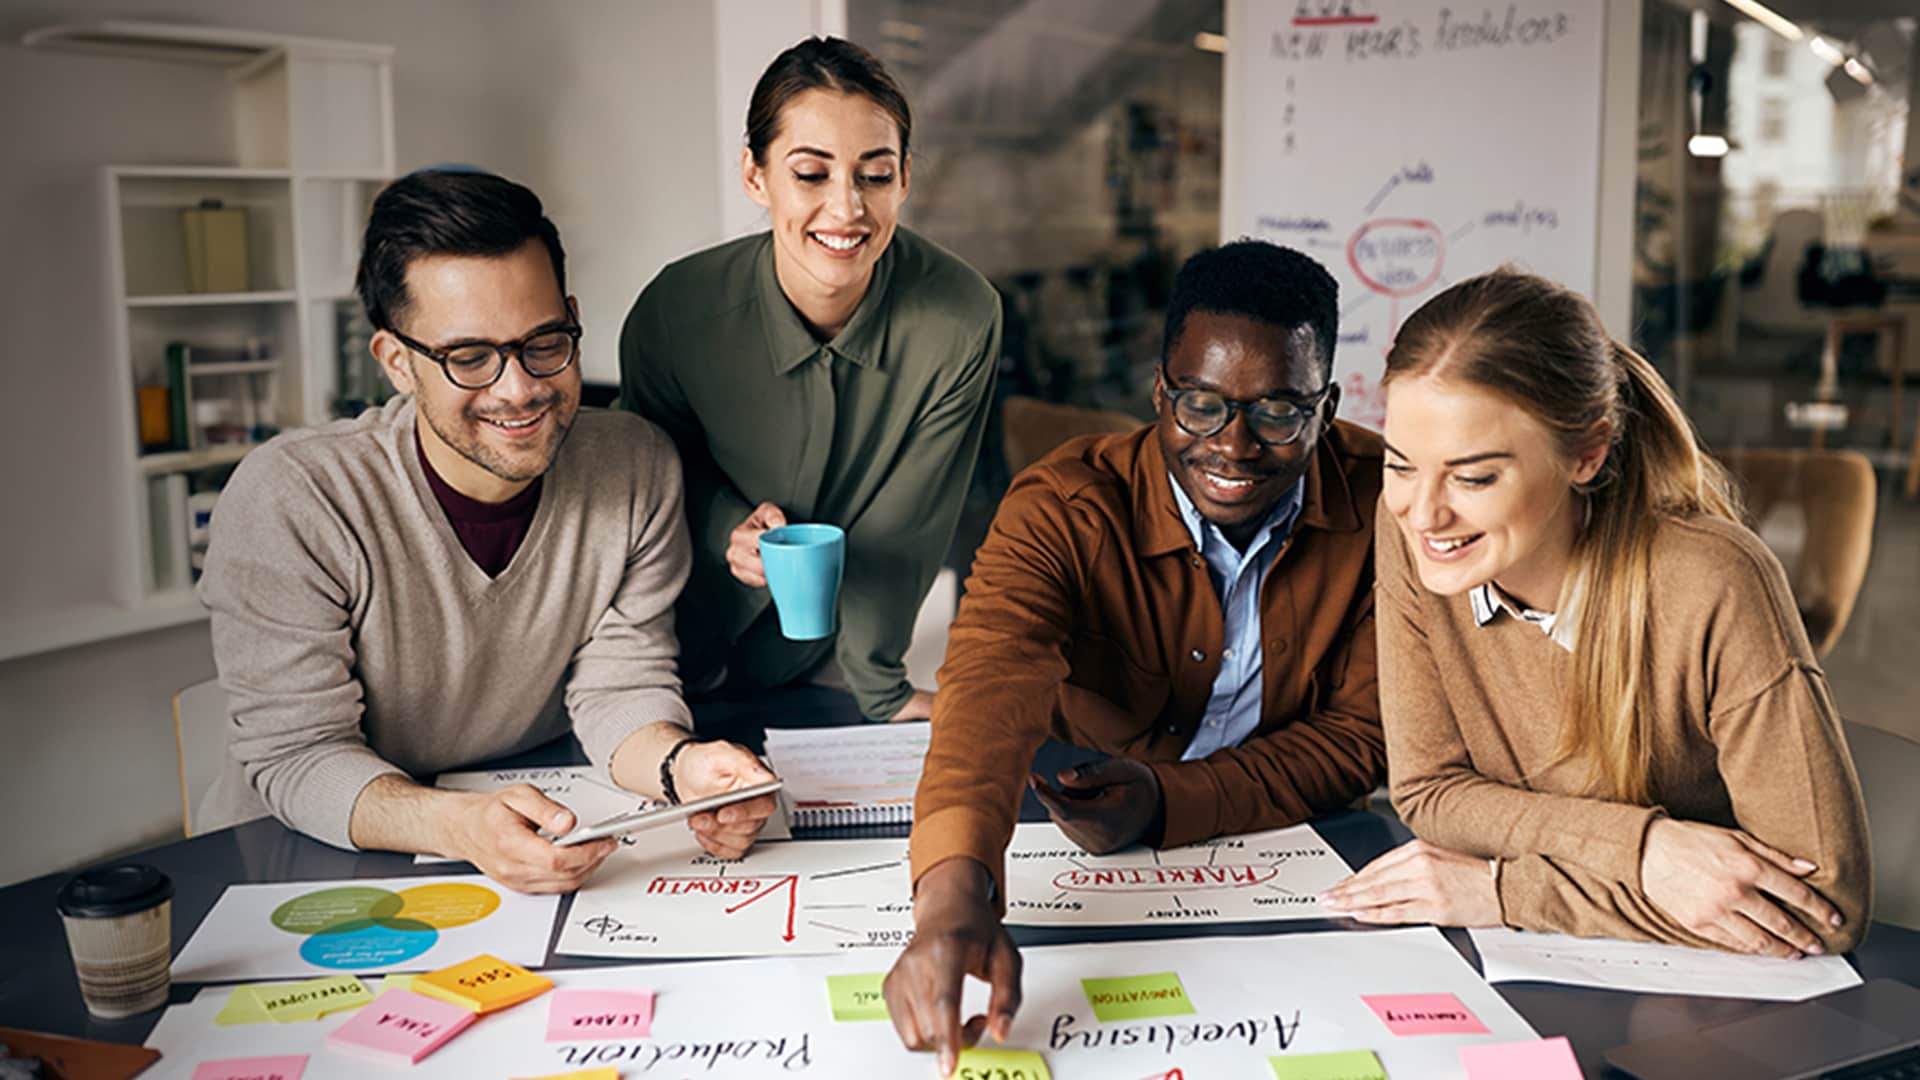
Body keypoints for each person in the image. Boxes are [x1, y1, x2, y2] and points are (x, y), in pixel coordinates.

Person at [195, 170, 777, 892]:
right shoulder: (294, 498)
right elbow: (299, 756)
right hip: (304, 866)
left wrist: (679, 766)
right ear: (397, 362)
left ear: (571, 315)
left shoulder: (634, 464)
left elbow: (622, 685)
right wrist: (461, 825)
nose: (519, 388)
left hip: (535, 835)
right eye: (470, 357)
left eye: (544, 341)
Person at [884, 240, 1386, 1072]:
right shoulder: (1063, 504)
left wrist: (1168, 801)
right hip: (1075, 831)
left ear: (1325, 409)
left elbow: (1360, 738)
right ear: (1160, 392)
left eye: (1279, 412)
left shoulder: (1385, 502)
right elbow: (986, 689)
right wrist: (949, 901)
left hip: (1297, 849)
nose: (1234, 446)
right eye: (1200, 405)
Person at [1322, 267, 1871, 957]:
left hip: (1709, 988)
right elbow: (1430, 791)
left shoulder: (1715, 579)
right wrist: (1646, 851)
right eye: (1401, 464)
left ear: (1587, 453)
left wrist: (1504, 893)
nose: (1424, 511)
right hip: (1553, 963)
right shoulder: (1413, 533)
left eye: (1474, 476)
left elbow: (1828, 906)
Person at [619, 37, 1000, 723]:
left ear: (906, 178)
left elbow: (909, 522)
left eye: (874, 175)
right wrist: (726, 529)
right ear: (755, 175)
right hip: (656, 657)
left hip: (823, 666)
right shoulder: (675, 312)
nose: (847, 208)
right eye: (811, 174)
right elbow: (645, 478)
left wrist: (879, 687)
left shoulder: (960, 318)